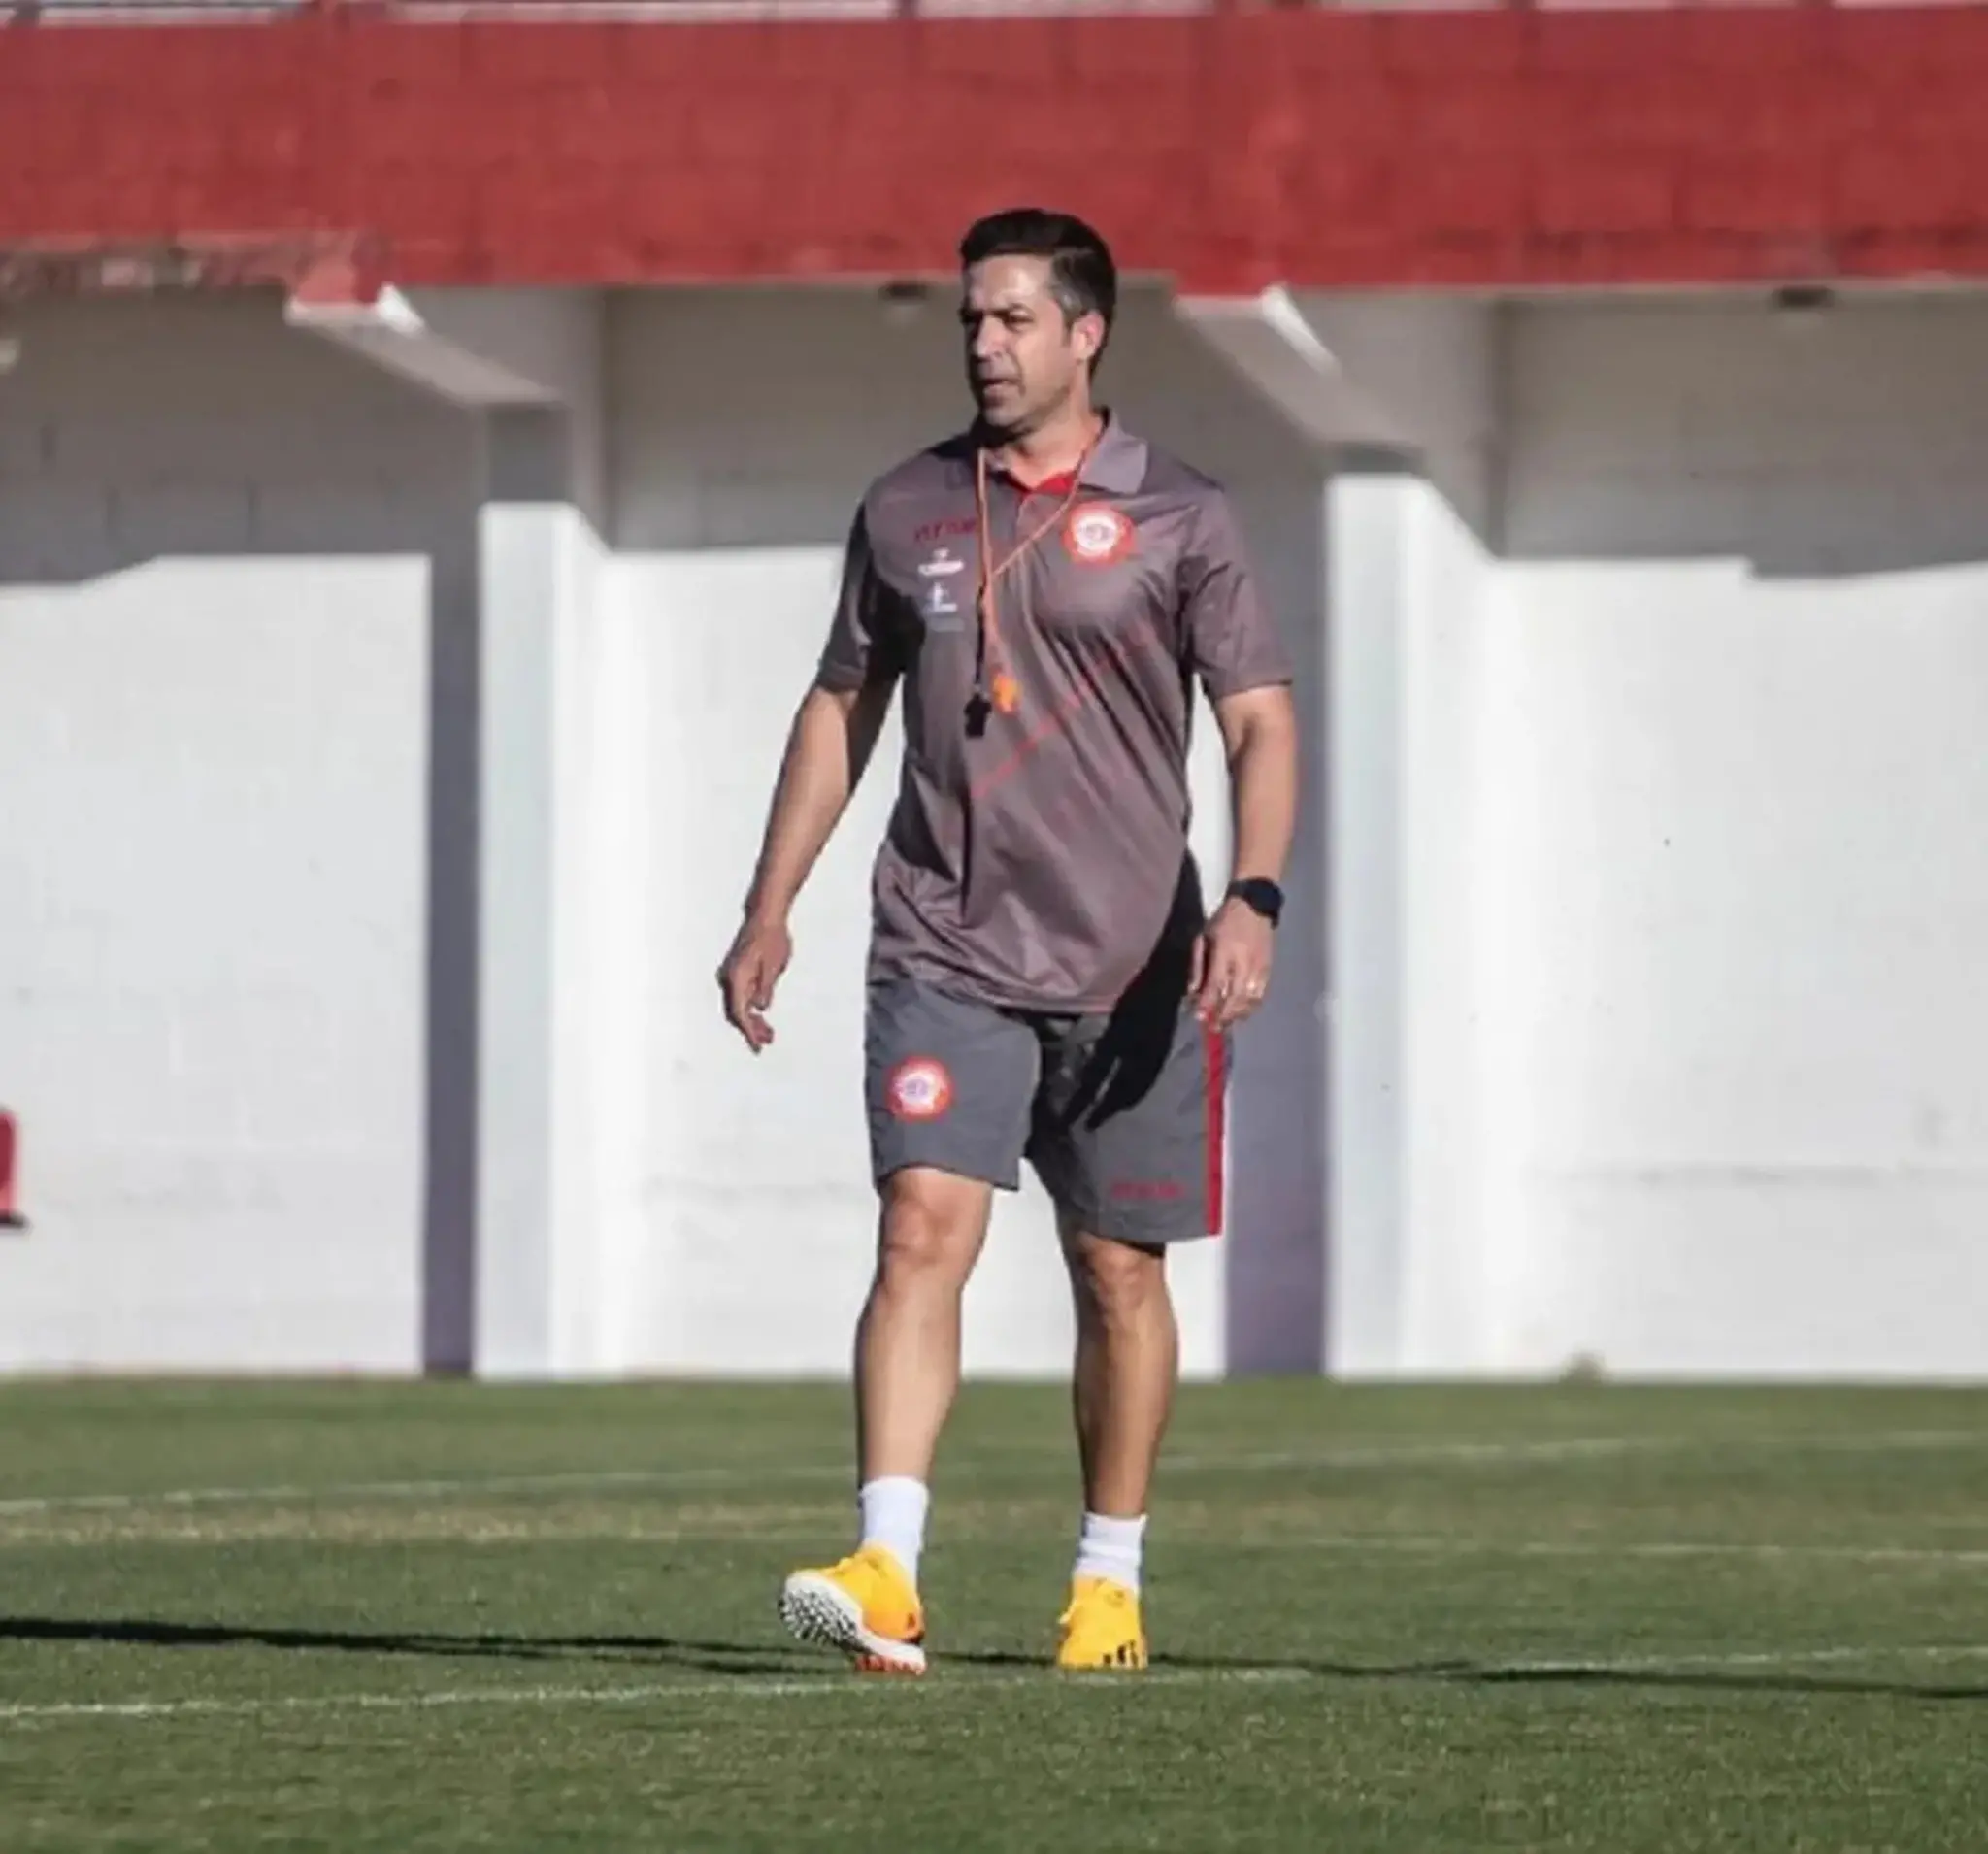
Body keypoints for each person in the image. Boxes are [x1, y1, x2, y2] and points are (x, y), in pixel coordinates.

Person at [717, 207, 1299, 1675]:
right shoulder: (907, 504)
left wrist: (1255, 893)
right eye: (971, 318)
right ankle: (886, 1568)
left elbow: (1258, 722)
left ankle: (1108, 1582)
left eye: (1015, 318)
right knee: (922, 1225)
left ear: (1086, 334)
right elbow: (841, 706)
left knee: (1117, 1272)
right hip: (943, 946)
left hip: (1134, 966)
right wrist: (771, 902)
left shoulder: (1182, 513)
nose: (984, 343)